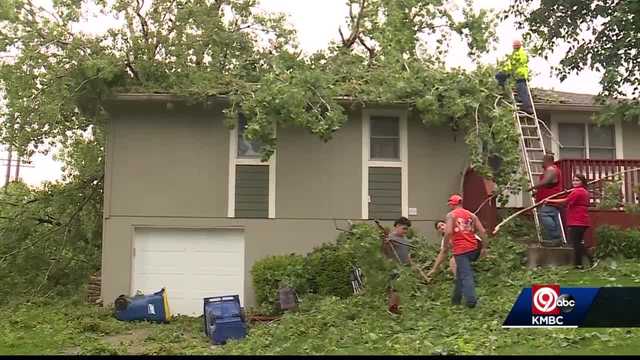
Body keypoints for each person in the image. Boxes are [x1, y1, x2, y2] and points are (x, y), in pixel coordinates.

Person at [442, 194, 487, 308]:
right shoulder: (471, 215)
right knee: (461, 274)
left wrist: (445, 246)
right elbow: (483, 231)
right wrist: (485, 247)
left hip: (461, 250)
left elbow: (448, 232)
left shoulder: (451, 215)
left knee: (466, 275)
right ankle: (455, 301)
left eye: (450, 204)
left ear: (452, 204)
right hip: (474, 248)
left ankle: (471, 302)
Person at [544, 174, 592, 269]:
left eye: (577, 180)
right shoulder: (583, 191)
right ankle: (583, 262)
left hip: (577, 221)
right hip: (581, 220)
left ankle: (582, 262)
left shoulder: (578, 191)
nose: (575, 182)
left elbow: (565, 201)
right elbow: (570, 202)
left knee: (576, 243)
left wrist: (550, 200)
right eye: (574, 180)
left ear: (582, 182)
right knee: (578, 243)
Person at [529, 154, 564, 246]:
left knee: (546, 216)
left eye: (543, 161)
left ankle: (555, 239)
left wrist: (533, 187)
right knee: (553, 219)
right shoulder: (552, 170)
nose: (541, 163)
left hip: (549, 202)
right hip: (550, 201)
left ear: (547, 161)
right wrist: (537, 193)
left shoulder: (551, 169)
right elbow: (549, 185)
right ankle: (556, 240)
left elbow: (546, 181)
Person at [495, 39, 533, 114]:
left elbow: (514, 63)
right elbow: (511, 64)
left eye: (514, 45)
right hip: (516, 73)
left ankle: (528, 108)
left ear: (517, 46)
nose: (513, 47)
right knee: (500, 76)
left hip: (520, 75)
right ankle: (502, 89)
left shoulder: (520, 53)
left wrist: (506, 69)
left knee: (522, 91)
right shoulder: (516, 52)